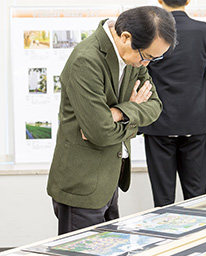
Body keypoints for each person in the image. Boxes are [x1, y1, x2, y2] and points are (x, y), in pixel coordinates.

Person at [47, 6, 173, 235]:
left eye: (154, 59)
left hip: (109, 178)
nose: (147, 64)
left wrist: (119, 113)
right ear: (126, 37)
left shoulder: (134, 59)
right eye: (146, 57)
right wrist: (133, 109)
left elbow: (155, 107)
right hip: (82, 183)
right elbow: (100, 132)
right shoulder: (86, 60)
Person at [140, 0, 206, 208]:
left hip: (159, 120)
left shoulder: (148, 31)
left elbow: (143, 68)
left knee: (163, 201)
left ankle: (167, 240)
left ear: (160, 1)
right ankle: (199, 240)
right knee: (198, 199)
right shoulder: (205, 30)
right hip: (196, 118)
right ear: (188, 1)